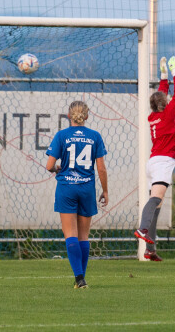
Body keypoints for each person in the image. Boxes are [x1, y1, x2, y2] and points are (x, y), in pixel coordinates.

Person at [46, 100, 108, 289]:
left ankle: (79, 279)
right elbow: (101, 168)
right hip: (87, 188)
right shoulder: (94, 136)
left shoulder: (61, 135)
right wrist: (105, 190)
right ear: (87, 116)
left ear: (68, 116)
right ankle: (81, 279)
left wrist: (57, 169)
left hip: (67, 188)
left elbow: (49, 165)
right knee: (83, 236)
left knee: (70, 234)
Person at [134, 56, 175, 261]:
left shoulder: (154, 116)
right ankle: (142, 229)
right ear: (166, 104)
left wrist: (163, 75)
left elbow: (162, 96)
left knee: (157, 205)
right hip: (163, 162)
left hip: (153, 162)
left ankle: (150, 250)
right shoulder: (167, 115)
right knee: (154, 199)